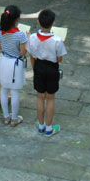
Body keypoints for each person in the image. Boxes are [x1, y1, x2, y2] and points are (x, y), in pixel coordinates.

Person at [27, 8, 67, 136]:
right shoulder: (57, 40)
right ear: (53, 23)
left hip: (39, 66)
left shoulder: (32, 37)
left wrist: (34, 68)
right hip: (52, 68)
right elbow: (59, 59)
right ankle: (49, 128)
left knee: (40, 97)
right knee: (50, 98)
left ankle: (41, 125)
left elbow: (31, 54)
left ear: (38, 22)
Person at [0, 5, 28, 127]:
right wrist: (27, 40)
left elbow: (0, 47)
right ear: (17, 19)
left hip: (4, 60)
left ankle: (6, 116)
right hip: (15, 64)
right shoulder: (21, 35)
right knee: (15, 92)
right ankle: (14, 118)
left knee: (3, 89)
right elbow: (23, 52)